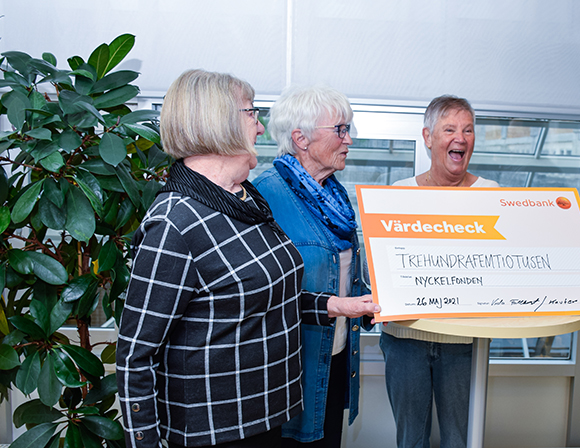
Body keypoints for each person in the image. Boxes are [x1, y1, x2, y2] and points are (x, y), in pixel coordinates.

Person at [116, 70, 379, 448]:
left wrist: (339, 305)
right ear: (216, 123)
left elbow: (264, 296)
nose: (260, 128)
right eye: (251, 114)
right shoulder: (175, 222)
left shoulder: (247, 200)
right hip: (214, 432)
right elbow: (135, 356)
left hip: (268, 419)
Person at [253, 85, 372, 448]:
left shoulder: (336, 197)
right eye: (339, 129)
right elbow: (261, 293)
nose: (348, 139)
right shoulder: (264, 195)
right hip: (290, 371)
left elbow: (347, 274)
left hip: (335, 358)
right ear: (301, 138)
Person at [379, 95, 499, 448]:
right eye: (449, 129)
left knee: (460, 441)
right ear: (428, 137)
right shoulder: (397, 194)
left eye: (468, 130)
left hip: (464, 343)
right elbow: (383, 266)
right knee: (410, 441)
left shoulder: (491, 194)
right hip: (405, 340)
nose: (460, 138)